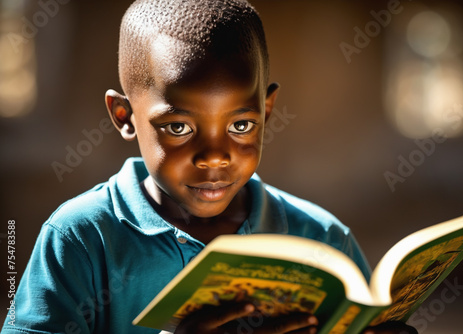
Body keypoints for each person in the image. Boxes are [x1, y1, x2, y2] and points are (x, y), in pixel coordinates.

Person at [3, 1, 417, 333]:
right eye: (179, 126)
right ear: (124, 115)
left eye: (241, 125)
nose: (215, 156)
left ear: (267, 111)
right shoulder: (82, 237)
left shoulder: (321, 238)